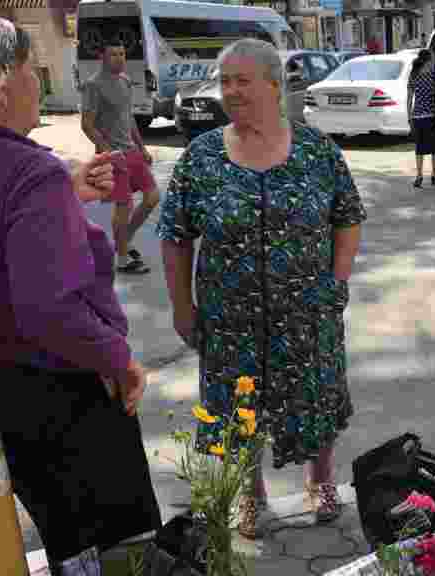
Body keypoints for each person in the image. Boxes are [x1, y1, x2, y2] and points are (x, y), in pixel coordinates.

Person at [0, 10, 161, 574]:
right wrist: (122, 361)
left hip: (5, 391)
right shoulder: (29, 172)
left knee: (69, 545)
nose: (42, 84)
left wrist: (65, 194)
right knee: (122, 550)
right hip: (67, 391)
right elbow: (49, 307)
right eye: (32, 70)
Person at [156, 38, 366, 540]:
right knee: (238, 408)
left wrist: (336, 280)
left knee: (316, 396)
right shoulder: (201, 157)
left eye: (241, 80)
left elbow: (348, 217)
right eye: (224, 81)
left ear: (274, 85)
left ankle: (320, 481)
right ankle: (252, 496)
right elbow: (175, 236)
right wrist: (182, 306)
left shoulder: (318, 152)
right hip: (229, 318)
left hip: (308, 310)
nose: (230, 91)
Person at [81, 37, 160, 275]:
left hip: (132, 151)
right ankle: (123, 259)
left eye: (123, 54)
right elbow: (87, 125)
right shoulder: (93, 85)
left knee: (152, 197)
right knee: (123, 206)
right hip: (112, 154)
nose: (120, 59)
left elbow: (130, 118)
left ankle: (124, 241)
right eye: (114, 54)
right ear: (102, 58)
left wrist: (142, 147)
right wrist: (109, 152)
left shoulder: (125, 81)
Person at [407, 49, 435, 188]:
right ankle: (434, 175)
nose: (434, 60)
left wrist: (409, 116)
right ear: (428, 60)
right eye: (433, 58)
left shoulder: (414, 75)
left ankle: (419, 176)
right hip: (433, 115)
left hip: (417, 116)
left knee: (420, 147)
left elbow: (409, 98)